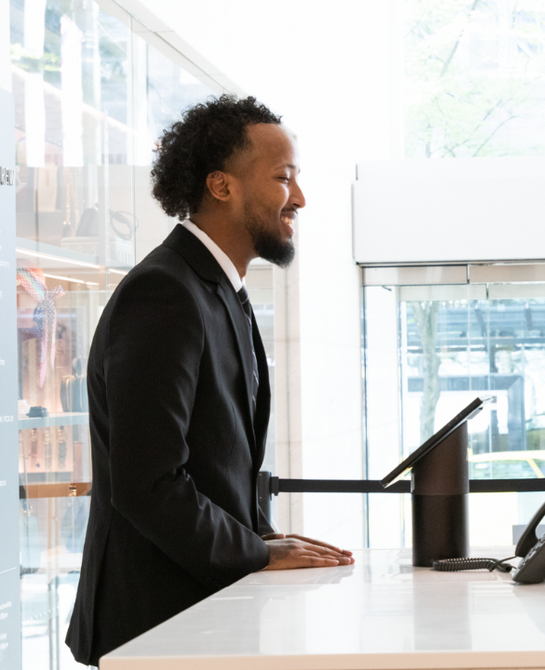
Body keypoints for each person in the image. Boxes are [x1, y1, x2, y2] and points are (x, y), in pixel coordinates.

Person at [67, 95, 354, 666]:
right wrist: (255, 552)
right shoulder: (165, 293)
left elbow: (216, 463)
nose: (299, 198)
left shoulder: (219, 291)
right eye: (283, 178)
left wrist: (265, 540)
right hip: (154, 626)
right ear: (221, 186)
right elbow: (148, 484)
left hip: (199, 618)